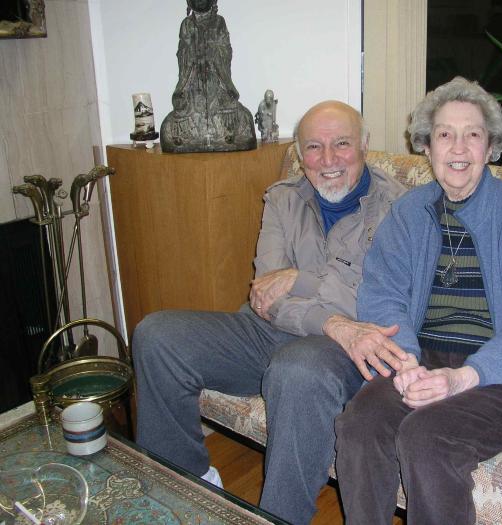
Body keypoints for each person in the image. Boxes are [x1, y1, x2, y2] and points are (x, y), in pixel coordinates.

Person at [133, 100, 408, 524]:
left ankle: (279, 518)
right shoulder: (282, 198)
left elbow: (373, 301)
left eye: (342, 144)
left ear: (365, 146)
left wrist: (299, 280)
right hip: (266, 330)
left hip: (343, 352)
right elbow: (266, 295)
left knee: (295, 367)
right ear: (299, 154)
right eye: (314, 147)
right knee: (157, 335)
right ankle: (188, 490)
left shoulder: (398, 208)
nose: (329, 159)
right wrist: (329, 315)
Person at [334, 77, 502, 525]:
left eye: (472, 134)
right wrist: (406, 363)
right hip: (423, 355)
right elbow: (383, 292)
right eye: (444, 134)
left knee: (428, 437)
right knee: (360, 422)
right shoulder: (409, 212)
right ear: (426, 147)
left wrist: (465, 377)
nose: (458, 147)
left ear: (490, 147)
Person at [160, 0, 256, 152]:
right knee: (171, 123)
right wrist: (192, 53)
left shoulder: (219, 22)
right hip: (193, 81)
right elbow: (182, 53)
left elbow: (225, 50)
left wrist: (212, 51)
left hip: (215, 78)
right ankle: (187, 135)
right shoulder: (186, 24)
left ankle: (226, 133)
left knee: (240, 114)